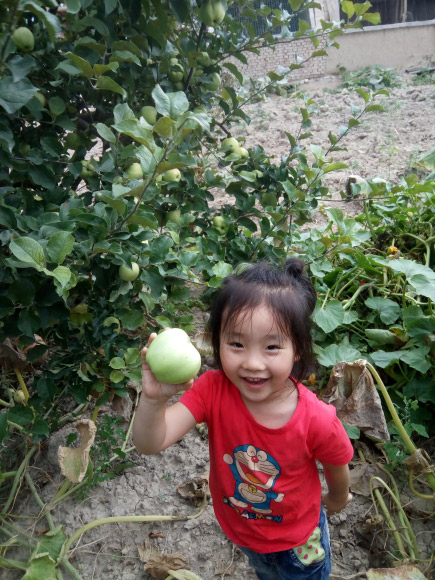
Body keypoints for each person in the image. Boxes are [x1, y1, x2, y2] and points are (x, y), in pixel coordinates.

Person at [133, 258, 354, 580]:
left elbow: (337, 463)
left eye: (272, 347)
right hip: (241, 528)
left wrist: (337, 497)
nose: (252, 362)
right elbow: (150, 443)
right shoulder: (211, 391)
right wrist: (155, 398)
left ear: (297, 351)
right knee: (264, 571)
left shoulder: (316, 419)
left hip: (300, 540)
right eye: (236, 344)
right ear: (217, 342)